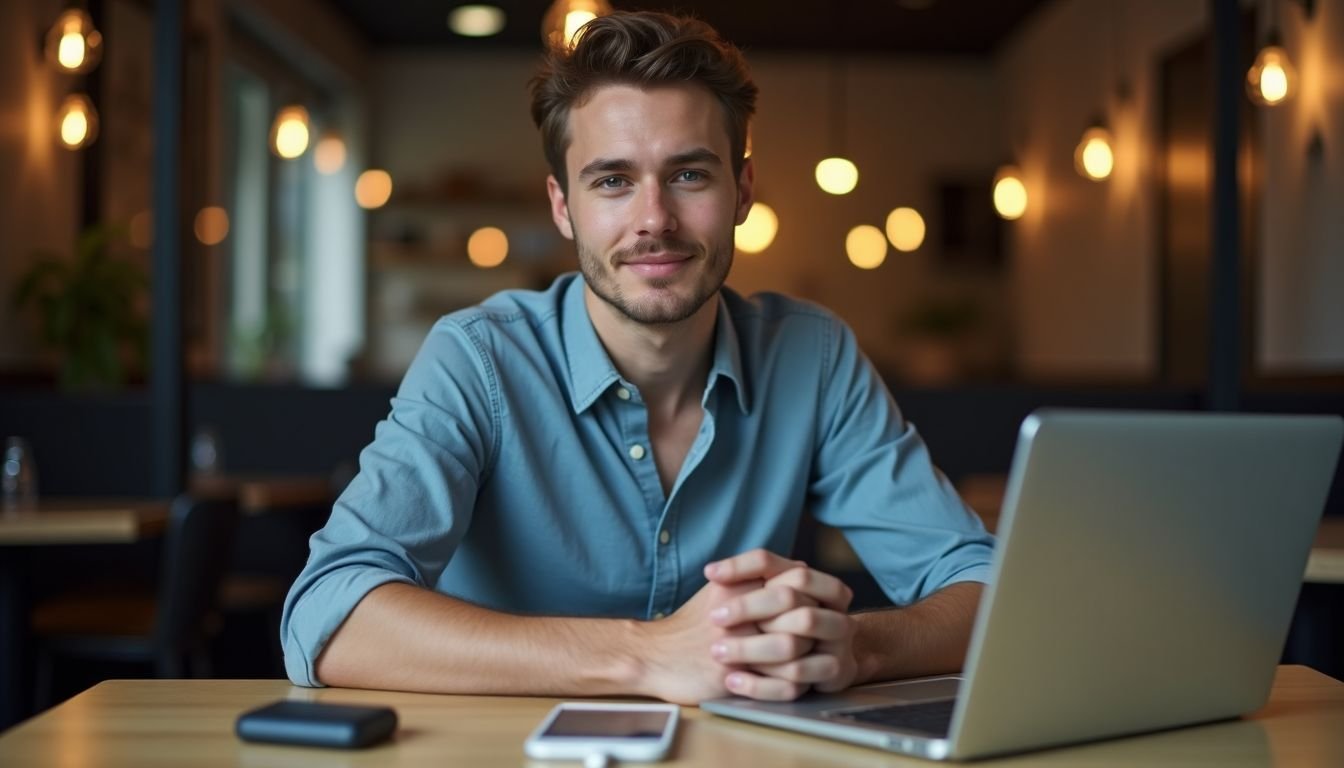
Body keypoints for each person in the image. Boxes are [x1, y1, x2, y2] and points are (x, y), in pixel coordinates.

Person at [281, 10, 993, 705]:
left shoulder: (813, 355)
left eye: (689, 175)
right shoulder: (479, 357)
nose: (654, 219)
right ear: (563, 206)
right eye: (613, 180)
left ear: (742, 191)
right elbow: (326, 615)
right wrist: (646, 656)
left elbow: (984, 585)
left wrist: (856, 646)